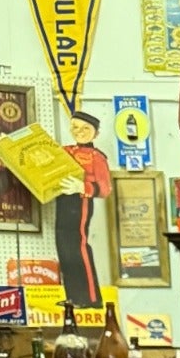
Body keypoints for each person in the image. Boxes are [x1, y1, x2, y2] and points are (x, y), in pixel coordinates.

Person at [54, 111, 114, 306]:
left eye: (85, 128)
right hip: (62, 201)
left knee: (79, 247)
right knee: (64, 248)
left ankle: (90, 298)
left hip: (80, 202)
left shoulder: (97, 157)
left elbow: (105, 189)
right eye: (75, 127)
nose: (79, 132)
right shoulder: (64, 151)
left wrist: (83, 187)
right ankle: (73, 297)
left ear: (96, 133)